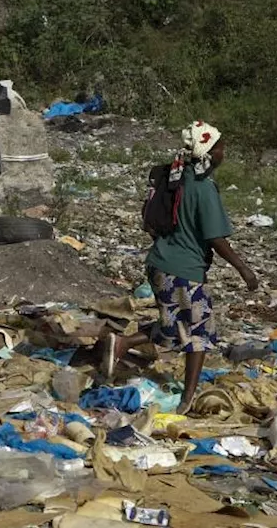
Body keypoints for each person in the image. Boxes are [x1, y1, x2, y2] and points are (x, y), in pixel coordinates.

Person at [99, 122, 258, 415]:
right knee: (198, 335)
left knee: (174, 323)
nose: (224, 152)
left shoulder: (172, 177)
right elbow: (215, 238)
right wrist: (243, 269)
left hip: (159, 264)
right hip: (184, 271)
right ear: (208, 152)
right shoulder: (203, 188)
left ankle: (121, 343)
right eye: (220, 147)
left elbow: (151, 221)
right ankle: (187, 400)